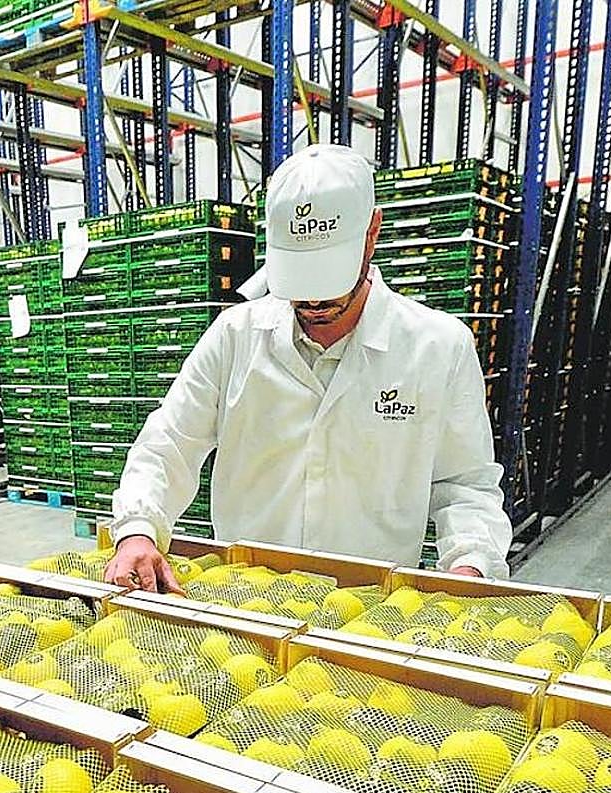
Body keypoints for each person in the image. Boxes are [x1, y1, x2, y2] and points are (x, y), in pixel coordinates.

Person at [104, 143, 512, 594]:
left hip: (370, 610)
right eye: (301, 282)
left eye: (328, 279)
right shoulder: (236, 336)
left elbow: (465, 485)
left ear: (371, 231)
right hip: (244, 597)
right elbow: (169, 442)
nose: (314, 302)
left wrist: (470, 563)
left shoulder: (437, 347)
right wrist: (138, 527)